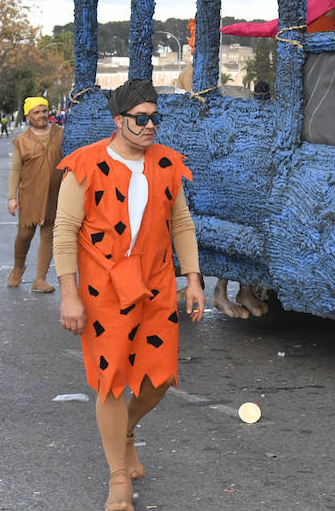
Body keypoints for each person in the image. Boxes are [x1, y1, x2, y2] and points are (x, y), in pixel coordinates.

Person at [54, 80, 204, 511]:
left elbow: (182, 225)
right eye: (141, 119)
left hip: (156, 282)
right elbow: (64, 231)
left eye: (155, 118)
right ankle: (118, 477)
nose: (151, 126)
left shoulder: (167, 165)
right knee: (112, 380)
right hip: (104, 286)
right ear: (118, 121)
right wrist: (70, 294)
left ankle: (124, 432)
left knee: (158, 378)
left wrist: (192, 279)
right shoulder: (85, 166)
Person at [7, 96, 64, 292]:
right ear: (28, 115)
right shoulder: (21, 141)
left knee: (48, 235)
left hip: (54, 194)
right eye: (36, 112)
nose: (41, 115)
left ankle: (40, 279)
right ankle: (18, 268)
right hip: (29, 194)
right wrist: (11, 198)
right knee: (24, 235)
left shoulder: (61, 134)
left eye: (43, 111)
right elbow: (15, 169)